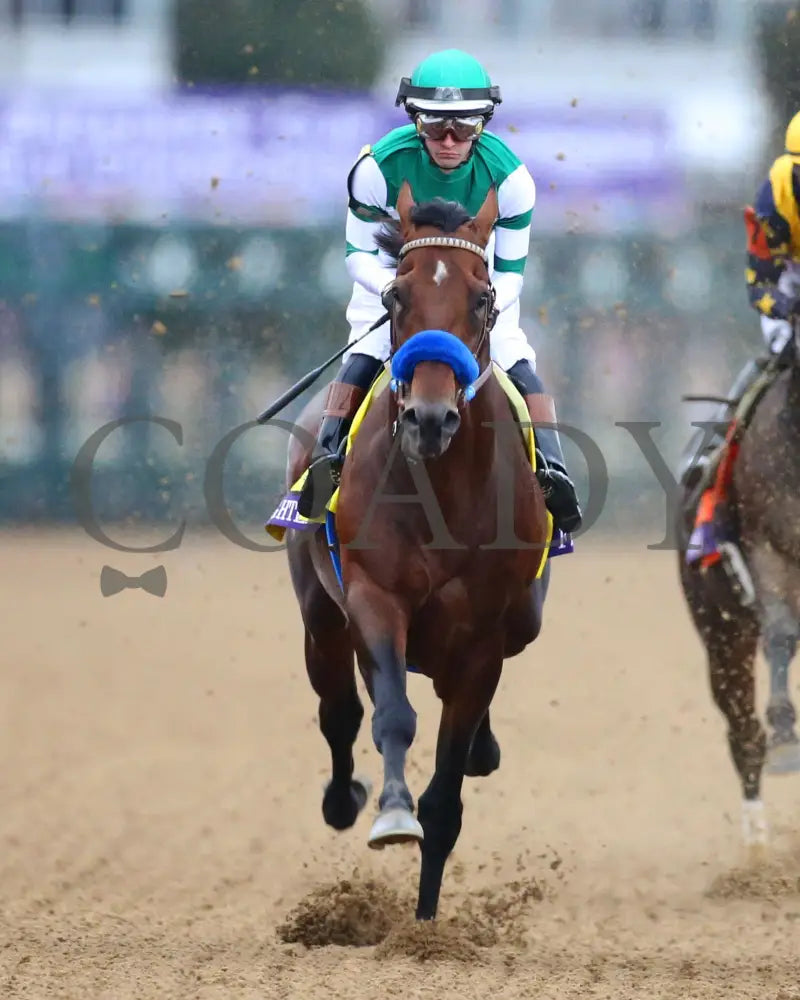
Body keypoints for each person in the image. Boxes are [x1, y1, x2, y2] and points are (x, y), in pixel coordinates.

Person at [297, 48, 582, 534]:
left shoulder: (512, 180)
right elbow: (358, 254)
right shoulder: (377, 167)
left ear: (483, 122)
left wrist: (484, 304)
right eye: (435, 126)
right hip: (396, 281)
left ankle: (553, 472)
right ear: (414, 119)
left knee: (517, 361)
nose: (449, 140)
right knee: (366, 352)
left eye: (464, 127)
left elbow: (511, 273)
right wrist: (395, 290)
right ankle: (325, 462)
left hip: (475, 288)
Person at [681, 109, 800, 494]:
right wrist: (788, 308)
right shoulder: (775, 197)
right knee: (780, 351)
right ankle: (709, 448)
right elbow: (760, 285)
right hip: (791, 277)